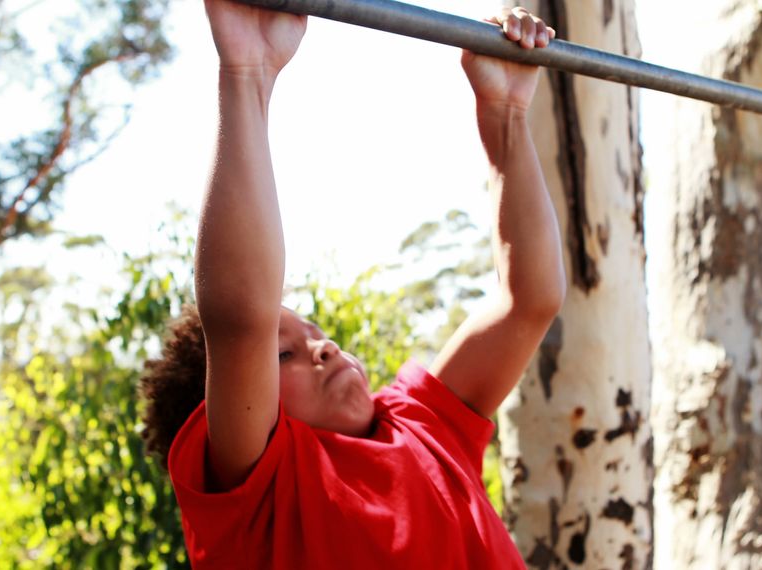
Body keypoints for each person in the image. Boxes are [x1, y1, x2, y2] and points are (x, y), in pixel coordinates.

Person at [138, 1, 566, 567]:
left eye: (315, 334)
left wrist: (506, 114)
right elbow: (241, 318)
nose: (325, 347)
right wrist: (246, 72)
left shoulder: (419, 421)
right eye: (286, 352)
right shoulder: (257, 493)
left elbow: (529, 301)